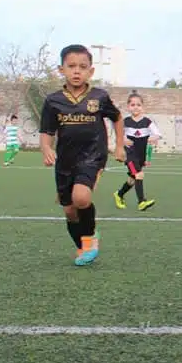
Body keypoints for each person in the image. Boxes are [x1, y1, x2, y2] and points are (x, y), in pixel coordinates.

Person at [39, 44, 125, 265]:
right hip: (65, 160)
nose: (77, 71)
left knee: (81, 198)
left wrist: (119, 146)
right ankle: (82, 247)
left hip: (92, 156)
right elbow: (47, 130)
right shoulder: (53, 101)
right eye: (71, 66)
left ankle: (90, 238)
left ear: (91, 71)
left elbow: (117, 118)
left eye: (82, 67)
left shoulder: (100, 96)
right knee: (69, 211)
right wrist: (47, 148)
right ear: (62, 69)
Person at [114, 92, 161, 211]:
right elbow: (118, 135)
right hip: (129, 154)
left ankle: (119, 194)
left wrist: (153, 138)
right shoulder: (126, 122)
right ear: (128, 107)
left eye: (138, 105)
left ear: (143, 107)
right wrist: (123, 139)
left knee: (132, 179)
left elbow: (158, 134)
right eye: (133, 104)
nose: (136, 107)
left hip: (140, 155)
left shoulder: (147, 122)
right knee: (139, 175)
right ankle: (142, 202)